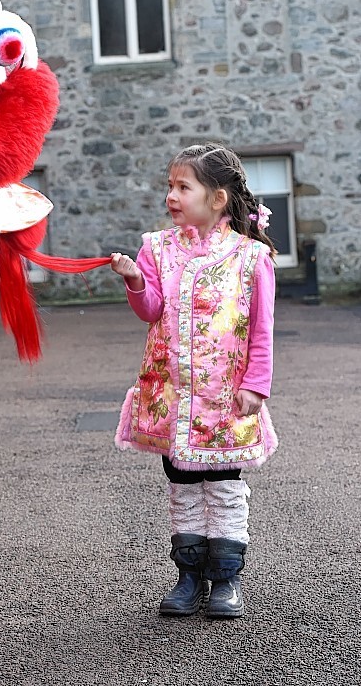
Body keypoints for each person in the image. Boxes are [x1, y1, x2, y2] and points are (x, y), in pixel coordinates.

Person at [111, 142, 277, 620]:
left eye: (183, 186)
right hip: (171, 391)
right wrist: (134, 280)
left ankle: (224, 579)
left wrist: (256, 384)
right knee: (181, 482)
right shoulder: (157, 248)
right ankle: (188, 576)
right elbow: (151, 311)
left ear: (217, 198)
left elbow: (261, 328)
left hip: (225, 395)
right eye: (170, 186)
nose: (172, 195)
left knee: (223, 482)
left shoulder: (249, 257)